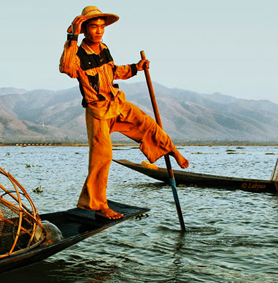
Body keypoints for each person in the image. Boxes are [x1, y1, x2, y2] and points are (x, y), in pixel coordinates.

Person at [59, 6, 189, 219]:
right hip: (98, 111)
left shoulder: (104, 48)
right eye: (94, 27)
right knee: (103, 156)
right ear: (84, 30)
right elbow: (67, 68)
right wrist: (71, 36)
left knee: (146, 123)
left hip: (116, 103)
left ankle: (171, 149)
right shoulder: (78, 54)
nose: (99, 31)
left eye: (102, 27)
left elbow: (112, 72)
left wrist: (136, 68)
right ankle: (98, 206)